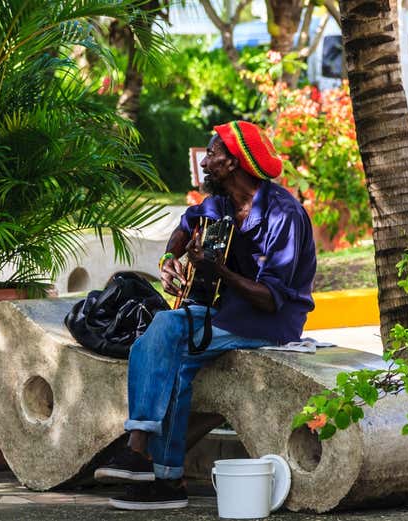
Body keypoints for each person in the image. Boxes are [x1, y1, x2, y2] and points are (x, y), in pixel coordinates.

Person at [93, 120, 317, 510]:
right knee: (175, 364)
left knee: (166, 323)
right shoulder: (221, 205)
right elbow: (186, 225)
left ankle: (137, 447)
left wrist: (220, 272)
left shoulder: (284, 215)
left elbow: (271, 299)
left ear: (233, 163)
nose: (206, 161)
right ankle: (166, 481)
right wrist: (169, 259)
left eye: (212, 153)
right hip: (224, 312)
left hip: (267, 322)